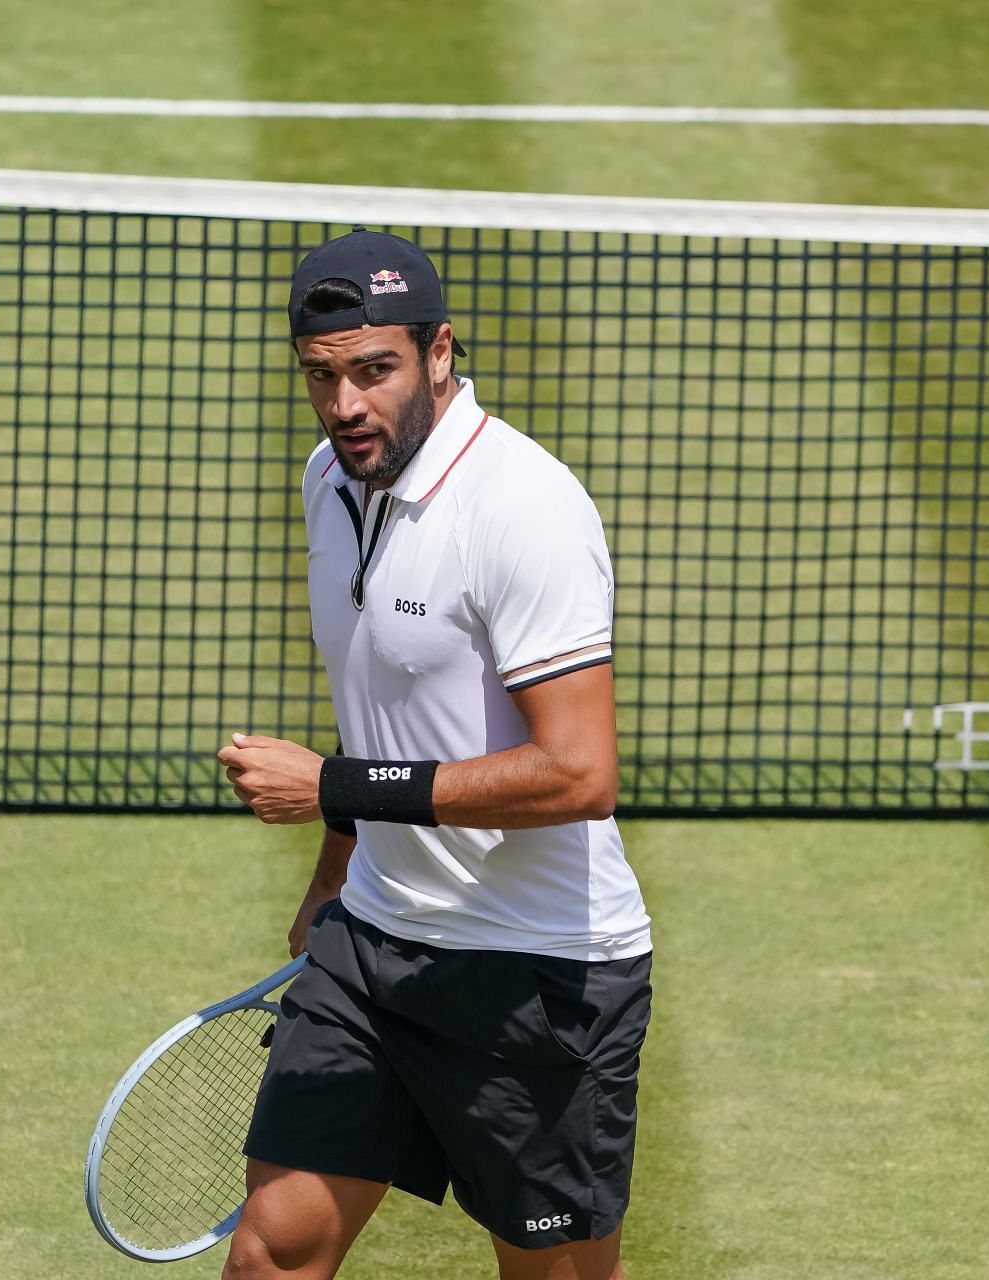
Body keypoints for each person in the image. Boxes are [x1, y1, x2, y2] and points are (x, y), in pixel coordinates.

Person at [214, 229, 652, 1280]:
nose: (346, 404)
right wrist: (334, 873)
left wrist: (330, 785)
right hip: (372, 948)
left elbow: (580, 772)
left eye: (375, 369)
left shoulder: (525, 511)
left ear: (440, 352)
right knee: (270, 1254)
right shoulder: (330, 478)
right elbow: (388, 708)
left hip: (538, 975)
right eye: (322, 376)